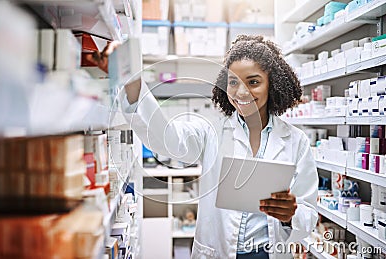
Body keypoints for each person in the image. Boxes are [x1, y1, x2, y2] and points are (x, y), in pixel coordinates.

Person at [89, 35, 318, 259]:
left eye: (254, 82)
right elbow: (169, 139)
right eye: (233, 81)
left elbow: (309, 214)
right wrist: (132, 81)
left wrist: (291, 215)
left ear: (272, 84)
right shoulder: (211, 129)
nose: (241, 92)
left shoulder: (295, 141)